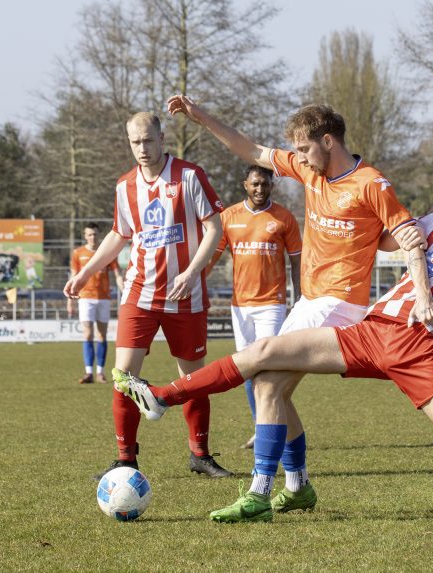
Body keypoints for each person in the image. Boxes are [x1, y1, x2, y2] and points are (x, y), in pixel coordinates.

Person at [114, 148, 433, 525]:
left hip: (418, 351)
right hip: (370, 331)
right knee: (264, 354)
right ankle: (162, 396)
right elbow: (391, 237)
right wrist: (354, 221)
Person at [166, 96, 425, 510]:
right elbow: (250, 149)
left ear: (328, 141)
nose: (299, 157)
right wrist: (200, 116)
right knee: (270, 387)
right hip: (311, 300)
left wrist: (421, 289)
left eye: (304, 148)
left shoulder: (371, 184)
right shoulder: (309, 170)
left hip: (340, 302)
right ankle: (298, 485)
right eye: (297, 151)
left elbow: (406, 235)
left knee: (267, 380)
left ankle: (259, 491)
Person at [63, 111, 232, 479]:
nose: (142, 148)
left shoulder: (189, 176)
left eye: (148, 140)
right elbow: (118, 235)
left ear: (162, 139)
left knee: (193, 378)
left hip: (186, 294)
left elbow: (214, 229)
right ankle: (126, 458)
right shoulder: (125, 186)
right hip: (140, 293)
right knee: (123, 376)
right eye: (135, 142)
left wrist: (191, 272)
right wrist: (86, 272)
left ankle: (200, 454)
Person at [205, 165, 303, 448]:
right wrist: (193, 284)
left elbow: (297, 261)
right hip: (240, 305)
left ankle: (271, 426)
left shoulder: (284, 217)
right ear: (245, 185)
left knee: (267, 366)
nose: (260, 189)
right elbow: (210, 257)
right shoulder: (229, 216)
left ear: (272, 185)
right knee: (247, 367)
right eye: (255, 184)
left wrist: (299, 297)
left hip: (272, 303)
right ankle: (261, 425)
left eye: (265, 184)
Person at [67, 223, 124, 384]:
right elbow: (73, 276)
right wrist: (70, 301)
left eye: (95, 234)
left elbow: (117, 274)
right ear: (85, 236)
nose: (93, 237)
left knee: (102, 335)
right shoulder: (78, 253)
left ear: (99, 236)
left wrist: (124, 290)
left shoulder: (107, 252)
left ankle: (100, 372)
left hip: (103, 298)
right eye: (90, 234)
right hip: (85, 297)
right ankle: (88, 372)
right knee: (87, 334)